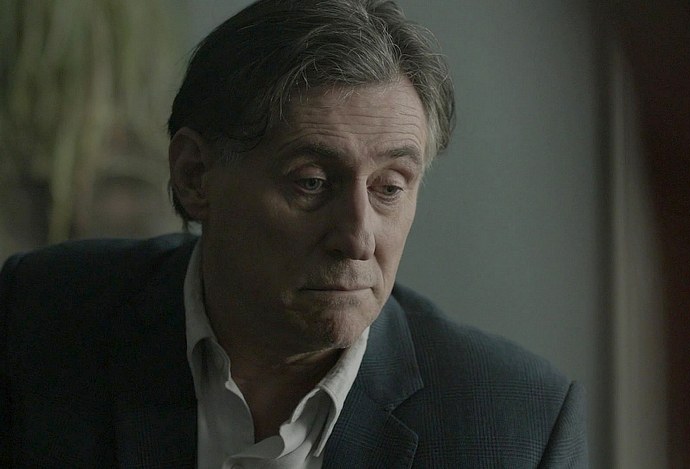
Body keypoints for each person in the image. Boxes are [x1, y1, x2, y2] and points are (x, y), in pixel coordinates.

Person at [0, 0, 587, 467]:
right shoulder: (40, 319)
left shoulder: (516, 424)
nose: (358, 238)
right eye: (312, 183)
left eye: (389, 187)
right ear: (196, 175)